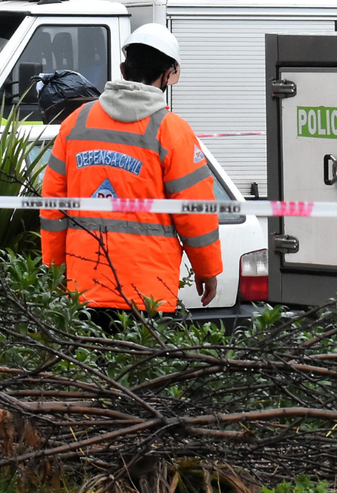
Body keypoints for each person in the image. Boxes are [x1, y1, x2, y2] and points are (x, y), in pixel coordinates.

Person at [41, 24, 222, 314]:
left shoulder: (76, 123)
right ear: (168, 75)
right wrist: (207, 269)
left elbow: (53, 208)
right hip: (147, 292)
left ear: (123, 70)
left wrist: (55, 273)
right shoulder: (172, 131)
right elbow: (195, 210)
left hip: (84, 289)